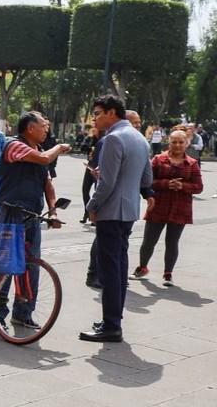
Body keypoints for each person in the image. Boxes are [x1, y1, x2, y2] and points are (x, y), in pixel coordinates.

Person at [80, 95, 153, 343]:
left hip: (111, 211)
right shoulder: (140, 138)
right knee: (119, 267)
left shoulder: (113, 138)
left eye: (98, 113)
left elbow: (107, 182)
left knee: (110, 270)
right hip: (129, 210)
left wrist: (92, 205)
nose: (95, 118)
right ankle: (113, 319)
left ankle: (111, 326)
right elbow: (146, 179)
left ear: (112, 113)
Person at [0, 112, 69, 329]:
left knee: (31, 264)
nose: (47, 130)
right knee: (6, 265)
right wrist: (60, 148)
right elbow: (45, 159)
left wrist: (53, 211)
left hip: (31, 214)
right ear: (29, 128)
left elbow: (48, 185)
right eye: (43, 126)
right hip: (11, 213)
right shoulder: (14, 146)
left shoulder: (40, 152)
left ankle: (23, 313)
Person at [133, 129, 203, 287]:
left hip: (180, 208)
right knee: (149, 241)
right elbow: (147, 181)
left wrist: (182, 186)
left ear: (186, 144)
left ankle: (168, 273)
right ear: (168, 142)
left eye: (181, 142)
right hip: (159, 205)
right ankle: (142, 267)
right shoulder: (158, 159)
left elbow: (198, 187)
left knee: (172, 242)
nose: (177, 145)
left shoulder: (192, 163)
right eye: (174, 142)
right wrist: (166, 184)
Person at [80, 125, 101, 226]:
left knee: (98, 191)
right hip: (89, 167)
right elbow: (82, 147)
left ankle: (95, 214)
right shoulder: (90, 138)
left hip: (99, 169)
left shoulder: (104, 139)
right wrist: (90, 142)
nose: (94, 128)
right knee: (85, 190)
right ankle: (86, 212)